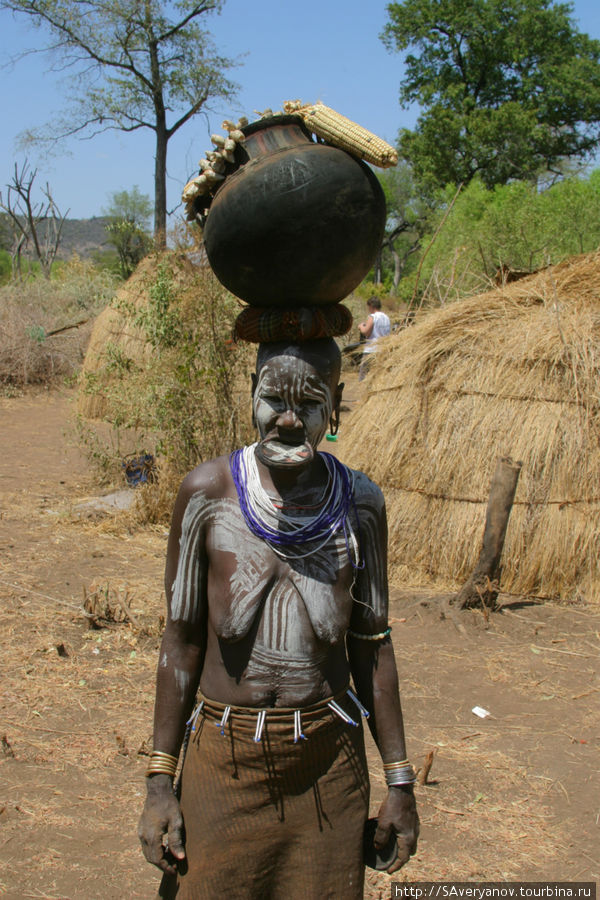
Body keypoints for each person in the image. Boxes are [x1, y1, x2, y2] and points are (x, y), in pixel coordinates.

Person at [138, 338, 419, 899]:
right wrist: (159, 783)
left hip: (328, 765)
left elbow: (373, 646)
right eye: (273, 398)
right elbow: (181, 642)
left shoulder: (360, 505)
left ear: (336, 403)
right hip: (225, 764)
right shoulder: (207, 494)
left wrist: (400, 782)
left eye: (309, 402)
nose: (289, 419)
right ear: (251, 394)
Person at [357, 297, 391, 380]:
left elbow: (366, 332)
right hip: (382, 350)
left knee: (363, 376)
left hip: (371, 350)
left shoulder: (372, 317)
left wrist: (361, 326)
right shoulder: (386, 317)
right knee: (378, 377)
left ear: (371, 306)